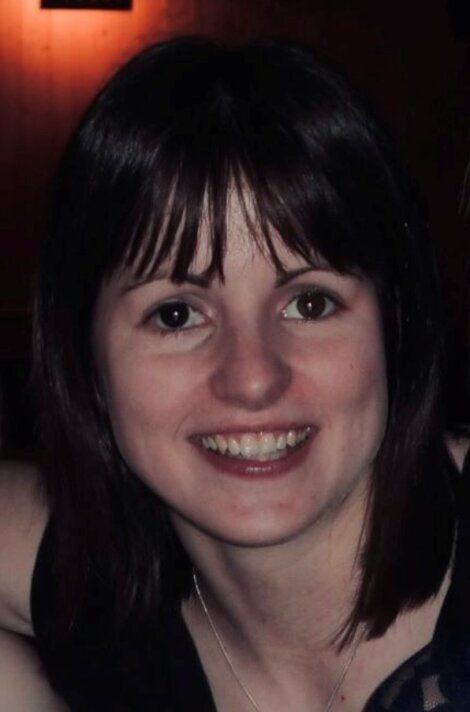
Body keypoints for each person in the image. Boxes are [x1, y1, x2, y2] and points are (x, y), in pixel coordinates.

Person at [0, 36, 469, 711]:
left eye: (311, 303)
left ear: (396, 327)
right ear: (86, 363)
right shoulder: (98, 598)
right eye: (176, 315)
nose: (252, 378)